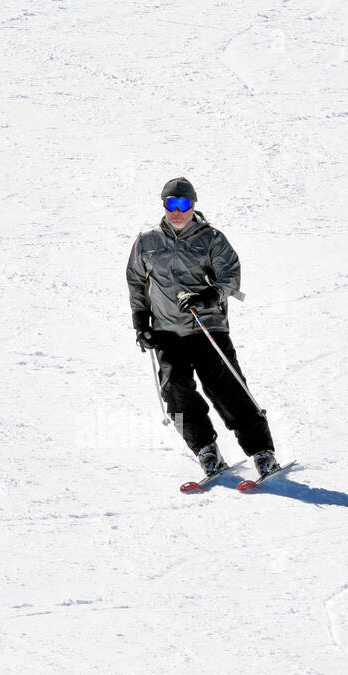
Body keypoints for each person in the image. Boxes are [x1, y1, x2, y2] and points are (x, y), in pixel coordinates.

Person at [126, 176, 280, 478]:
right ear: (164, 205)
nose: (177, 210)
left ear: (193, 205)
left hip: (206, 327)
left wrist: (209, 295)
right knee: (175, 392)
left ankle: (262, 451)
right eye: (171, 203)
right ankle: (206, 451)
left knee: (227, 389)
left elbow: (231, 277)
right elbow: (135, 282)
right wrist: (140, 322)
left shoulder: (211, 238)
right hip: (167, 331)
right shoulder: (147, 241)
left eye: (183, 203)